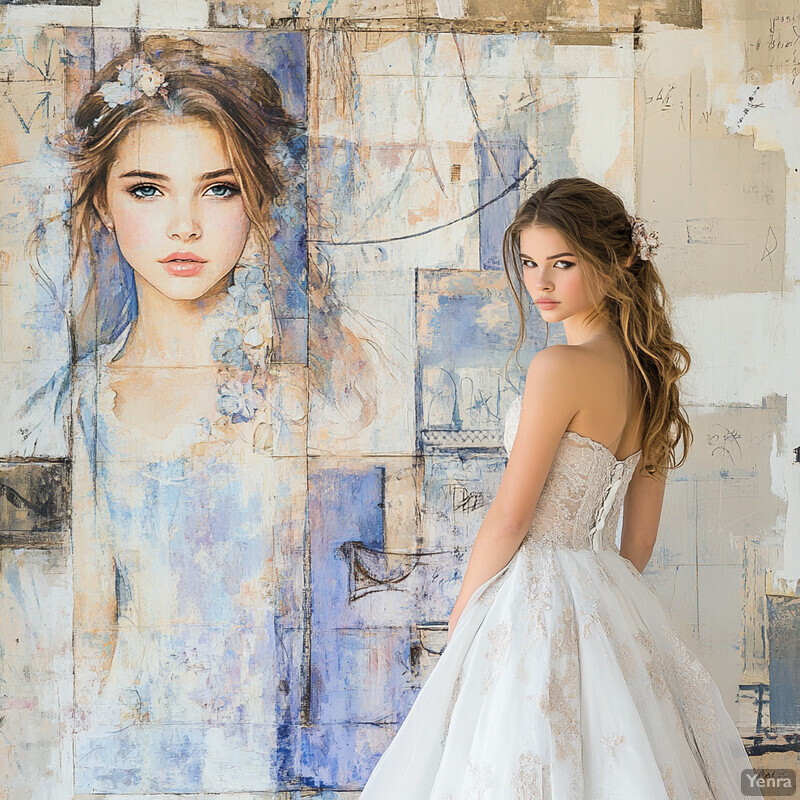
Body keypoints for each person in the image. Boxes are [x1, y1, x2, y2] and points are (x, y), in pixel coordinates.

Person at [359, 177, 761, 799]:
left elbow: (510, 519)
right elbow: (639, 544)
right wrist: (602, 614)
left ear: (617, 260)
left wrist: (462, 619)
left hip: (532, 591)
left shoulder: (557, 368)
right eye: (529, 263)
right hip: (607, 587)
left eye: (563, 264)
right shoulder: (653, 380)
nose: (540, 283)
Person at [26, 35, 307, 793]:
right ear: (104, 206)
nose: (185, 225)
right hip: (128, 756)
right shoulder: (87, 399)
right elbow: (91, 623)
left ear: (257, 203)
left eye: (218, 189)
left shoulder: (300, 399)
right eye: (148, 189)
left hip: (272, 756)